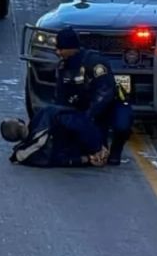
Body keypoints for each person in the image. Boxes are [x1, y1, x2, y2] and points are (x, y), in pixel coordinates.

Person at [52, 28, 132, 165]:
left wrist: (88, 117)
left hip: (109, 105)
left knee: (122, 125)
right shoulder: (63, 67)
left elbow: (105, 93)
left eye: (61, 49)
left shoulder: (95, 63)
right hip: (83, 107)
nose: (58, 52)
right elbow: (61, 97)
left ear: (72, 48)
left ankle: (116, 150)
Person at [0, 110, 110, 168]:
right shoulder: (44, 114)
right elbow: (79, 124)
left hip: (86, 155)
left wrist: (88, 158)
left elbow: (57, 160)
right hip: (94, 142)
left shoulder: (25, 156)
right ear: (20, 122)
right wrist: (98, 147)